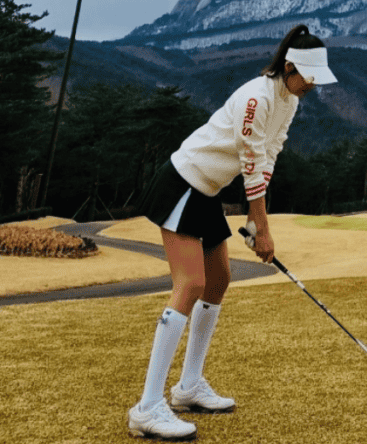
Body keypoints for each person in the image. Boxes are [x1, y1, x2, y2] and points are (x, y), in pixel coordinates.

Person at [127, 25, 337, 441]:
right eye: (308, 76)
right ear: (289, 67)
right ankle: (147, 408)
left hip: (206, 191)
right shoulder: (256, 98)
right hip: (183, 183)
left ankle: (188, 387)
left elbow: (269, 155)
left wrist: (259, 223)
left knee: (218, 281)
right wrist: (261, 228)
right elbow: (250, 162)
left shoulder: (289, 102)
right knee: (190, 285)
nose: (312, 85)